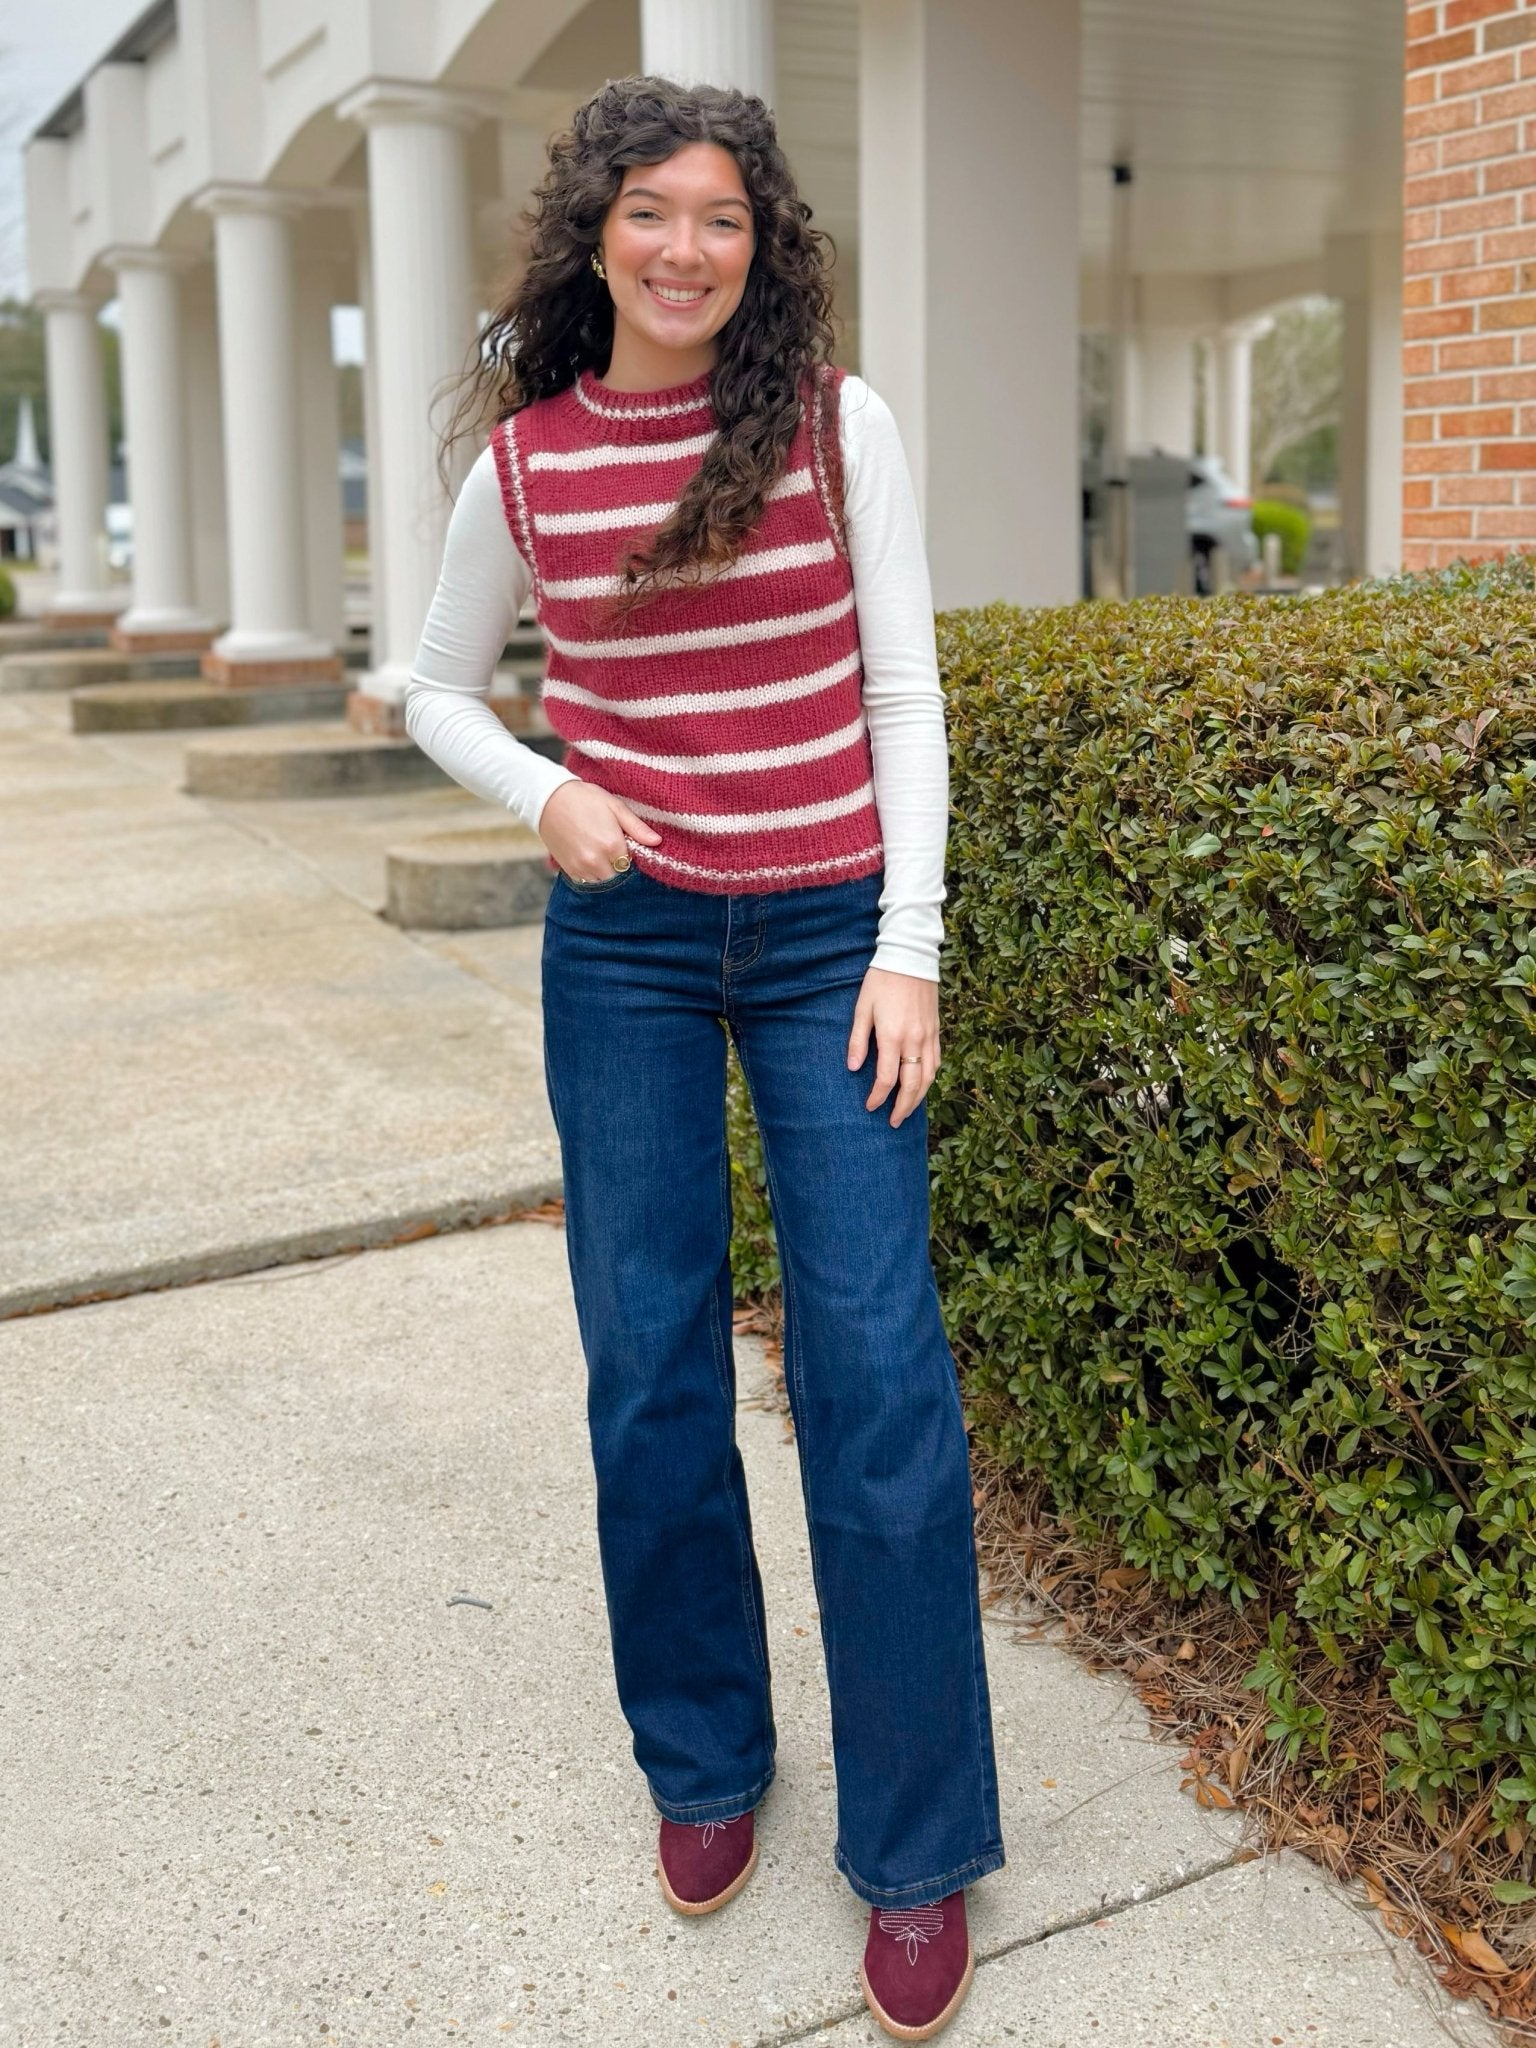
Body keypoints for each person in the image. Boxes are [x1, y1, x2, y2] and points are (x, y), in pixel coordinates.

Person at [406, 74, 1003, 2042]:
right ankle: (705, 1758)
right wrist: (543, 790)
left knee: (877, 1370)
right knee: (650, 1363)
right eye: (652, 211)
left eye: (723, 217)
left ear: (766, 245)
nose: (687, 247)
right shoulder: (525, 470)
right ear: (595, 233)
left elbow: (905, 695)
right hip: (630, 953)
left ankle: (917, 1847)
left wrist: (909, 949)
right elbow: (432, 686)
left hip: (833, 936)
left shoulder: (835, 427)